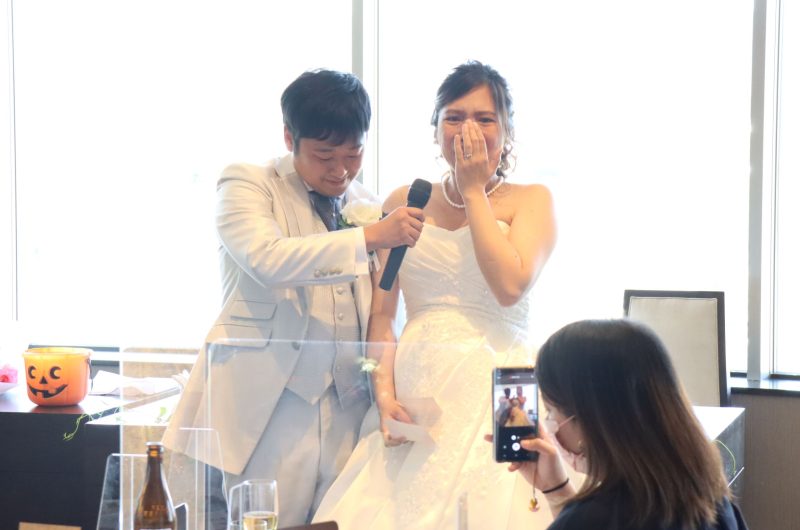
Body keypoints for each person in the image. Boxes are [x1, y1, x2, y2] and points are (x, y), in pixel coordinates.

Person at [162, 69, 425, 527]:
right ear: (289, 137)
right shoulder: (247, 183)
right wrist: (369, 236)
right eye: (324, 155)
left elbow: (381, 308)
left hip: (350, 407)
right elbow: (267, 258)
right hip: (269, 408)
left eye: (354, 153)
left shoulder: (365, 202)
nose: (340, 170)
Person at [312, 60, 556, 529]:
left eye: (485, 119)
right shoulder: (406, 201)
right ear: (436, 128)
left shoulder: (532, 200)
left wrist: (474, 190)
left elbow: (509, 287)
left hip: (499, 388)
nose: (468, 130)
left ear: (507, 130)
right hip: (419, 393)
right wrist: (384, 396)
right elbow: (382, 316)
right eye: (454, 117)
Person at [506, 319, 749, 530]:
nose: (549, 423)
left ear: (589, 421)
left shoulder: (591, 519)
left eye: (551, 411)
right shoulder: (713, 500)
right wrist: (555, 487)